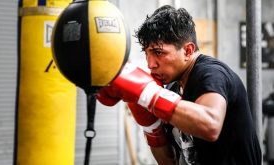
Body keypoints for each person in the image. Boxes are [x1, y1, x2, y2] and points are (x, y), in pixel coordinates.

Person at [97, 5, 262, 165]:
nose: (150, 64)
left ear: (188, 51)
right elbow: (169, 161)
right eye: (146, 53)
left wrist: (147, 93)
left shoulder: (211, 73)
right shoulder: (171, 88)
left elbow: (210, 125)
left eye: (158, 52)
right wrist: (151, 127)